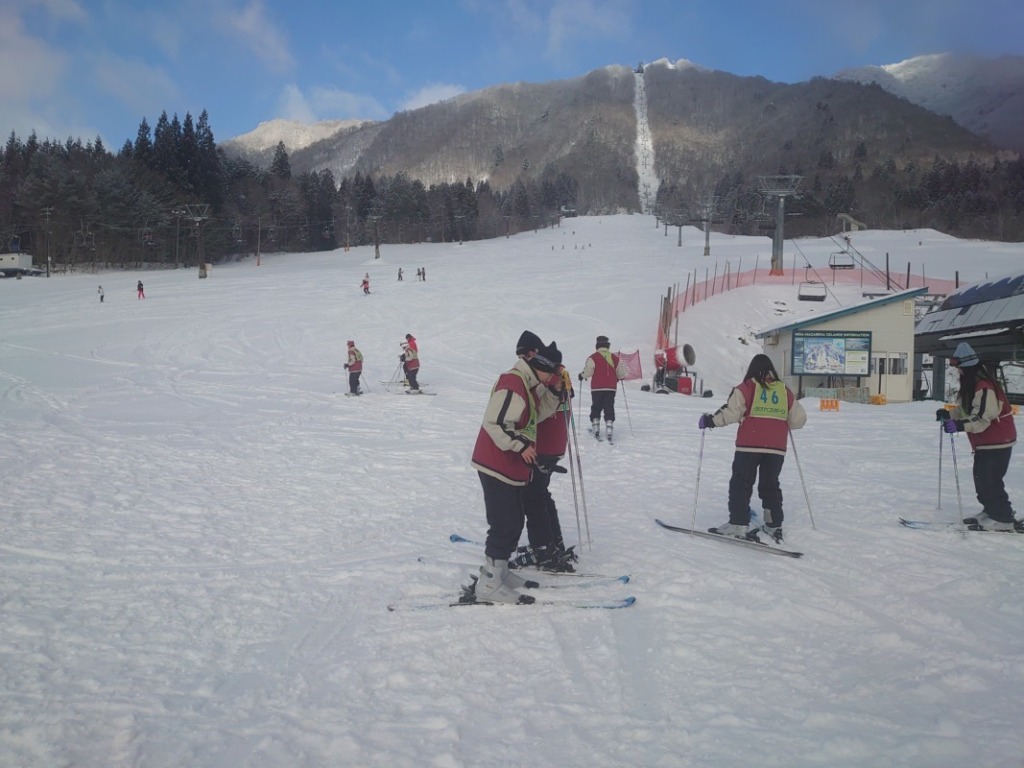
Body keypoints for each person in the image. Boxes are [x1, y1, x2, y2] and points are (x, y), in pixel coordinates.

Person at [470, 333, 562, 603]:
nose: (550, 379)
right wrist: (521, 446)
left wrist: (554, 392)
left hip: (508, 465)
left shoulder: (527, 384)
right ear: (541, 367)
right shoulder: (514, 383)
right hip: (496, 463)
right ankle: (489, 583)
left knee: (514, 519)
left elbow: (536, 416)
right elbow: (494, 423)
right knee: (504, 523)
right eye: (550, 374)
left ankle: (500, 570)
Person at [698, 353, 807, 542]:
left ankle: (738, 524)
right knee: (770, 485)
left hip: (749, 446)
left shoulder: (747, 387)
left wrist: (710, 421)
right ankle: (773, 525)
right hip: (776, 449)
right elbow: (798, 420)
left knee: (741, 483)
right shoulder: (784, 391)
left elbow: (732, 413)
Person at [937, 341, 1018, 531]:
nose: (959, 373)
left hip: (997, 441)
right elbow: (968, 409)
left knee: (990, 481)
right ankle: (990, 511)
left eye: (960, 369)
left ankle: (1003, 518)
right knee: (981, 480)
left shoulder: (985, 387)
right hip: (985, 443)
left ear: (968, 368)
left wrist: (957, 425)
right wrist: (949, 414)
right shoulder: (975, 386)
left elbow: (981, 418)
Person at [516, 341, 577, 572]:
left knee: (532, 496)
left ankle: (543, 548)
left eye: (524, 356)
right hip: (555, 444)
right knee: (540, 493)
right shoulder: (562, 373)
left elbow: (536, 411)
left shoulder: (549, 376)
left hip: (543, 444)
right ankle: (553, 542)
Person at [579, 335, 627, 441]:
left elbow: (589, 370)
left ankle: (596, 427)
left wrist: (582, 375)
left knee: (596, 406)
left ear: (597, 345)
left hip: (597, 388)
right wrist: (621, 377)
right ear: (607, 345)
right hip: (611, 388)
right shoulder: (614, 358)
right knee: (609, 406)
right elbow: (621, 373)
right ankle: (609, 428)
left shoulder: (593, 357)